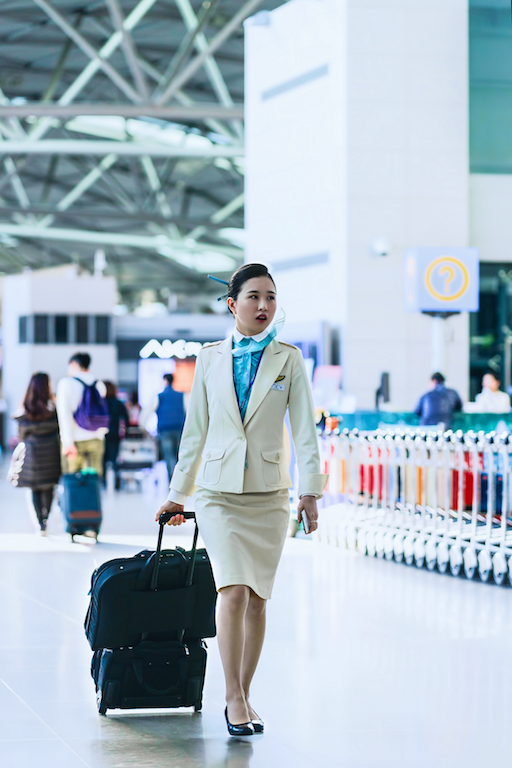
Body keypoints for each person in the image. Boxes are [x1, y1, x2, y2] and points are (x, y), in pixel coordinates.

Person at [155, 263, 327, 736]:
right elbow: (196, 432)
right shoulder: (209, 358)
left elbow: (305, 431)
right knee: (231, 591)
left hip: (270, 496)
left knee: (257, 600)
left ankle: (246, 693)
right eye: (253, 297)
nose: (264, 306)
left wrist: (310, 489)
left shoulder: (289, 359)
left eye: (270, 297)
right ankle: (232, 697)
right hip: (217, 494)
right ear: (232, 304)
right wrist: (177, 495)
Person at [11, 373, 61, 535]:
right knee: (49, 486)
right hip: (51, 452)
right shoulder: (53, 405)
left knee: (34, 488)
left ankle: (40, 523)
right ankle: (45, 518)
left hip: (32, 452)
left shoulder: (25, 406)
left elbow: (21, 434)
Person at [56, 352, 108, 476]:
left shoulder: (66, 383)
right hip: (97, 438)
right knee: (93, 480)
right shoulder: (99, 384)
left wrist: (68, 442)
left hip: (75, 439)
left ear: (73, 364)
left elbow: (64, 414)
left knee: (73, 480)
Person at [141, 373, 186, 481]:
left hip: (165, 429)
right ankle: (179, 480)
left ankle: (171, 480)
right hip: (179, 428)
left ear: (164, 380)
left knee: (168, 455)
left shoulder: (159, 396)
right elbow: (188, 412)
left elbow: (147, 412)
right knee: (179, 455)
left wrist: (143, 426)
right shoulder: (181, 395)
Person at [103, 381, 129, 488]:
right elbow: (126, 418)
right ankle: (117, 483)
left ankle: (103, 482)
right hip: (115, 434)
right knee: (114, 459)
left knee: (103, 459)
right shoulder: (118, 403)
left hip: (102, 434)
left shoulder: (101, 403)